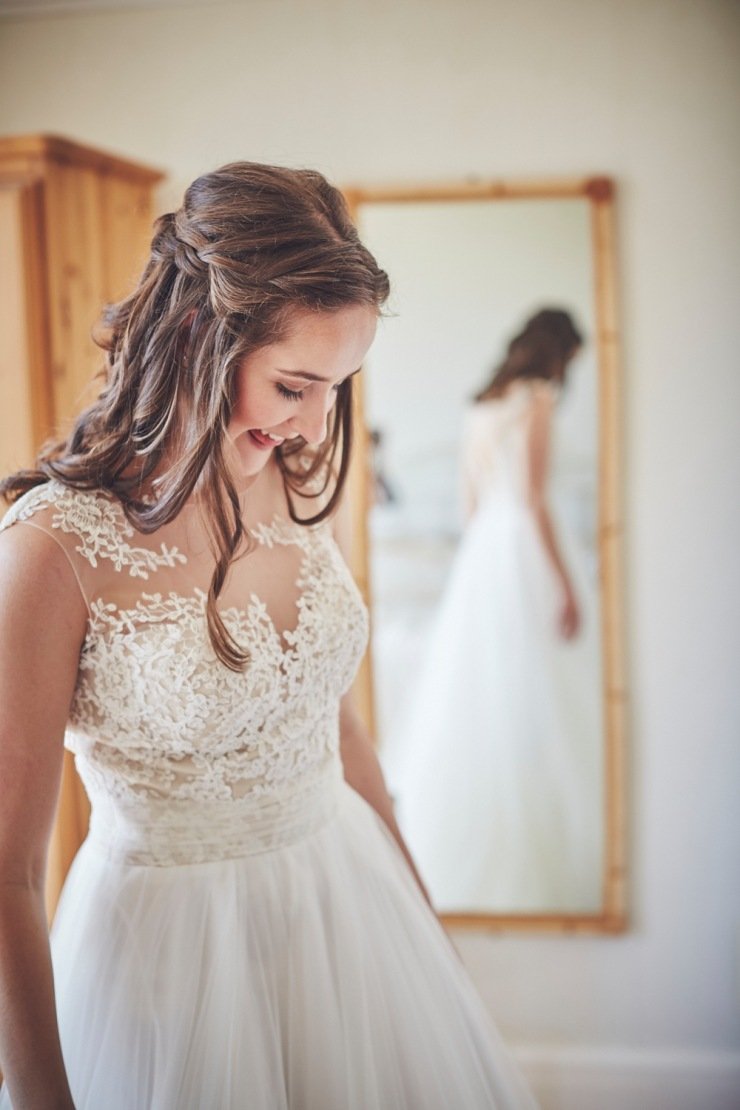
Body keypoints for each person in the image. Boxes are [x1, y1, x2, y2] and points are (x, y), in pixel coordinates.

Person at [0, 162, 537, 1109]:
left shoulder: (287, 478)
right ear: (201, 337)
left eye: (338, 386)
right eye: (294, 384)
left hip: (348, 901)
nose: (312, 424)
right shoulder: (53, 546)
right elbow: (6, 870)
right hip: (172, 964)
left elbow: (340, 729)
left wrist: (426, 929)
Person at [380, 309, 604, 914]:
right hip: (526, 546)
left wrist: (480, 566)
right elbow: (532, 499)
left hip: (486, 552)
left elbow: (471, 506)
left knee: (491, 681)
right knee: (541, 680)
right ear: (558, 354)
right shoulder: (536, 399)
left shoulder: (478, 406)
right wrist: (563, 582)